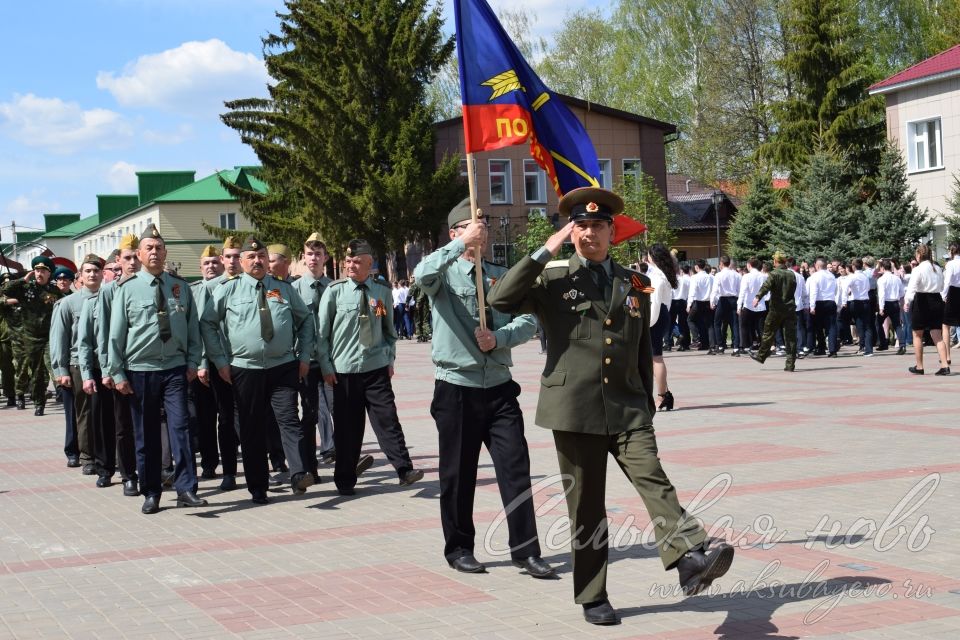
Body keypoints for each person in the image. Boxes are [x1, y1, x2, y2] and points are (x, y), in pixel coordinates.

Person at [487, 186, 733, 626]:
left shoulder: (635, 282)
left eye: (597, 226)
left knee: (654, 480)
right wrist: (547, 248)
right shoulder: (553, 276)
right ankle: (593, 594)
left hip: (627, 405)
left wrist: (646, 397)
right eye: (580, 226)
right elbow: (500, 299)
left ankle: (689, 557)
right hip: (574, 408)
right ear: (571, 230)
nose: (589, 233)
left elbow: (641, 343)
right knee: (586, 507)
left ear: (611, 231)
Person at [413, 198, 554, 579]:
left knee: (515, 469)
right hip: (457, 387)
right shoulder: (441, 274)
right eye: (472, 226)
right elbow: (420, 274)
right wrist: (458, 247)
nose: (482, 231)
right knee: (458, 474)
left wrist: (501, 337)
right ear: (456, 232)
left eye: (484, 226)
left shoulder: (499, 274)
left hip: (499, 387)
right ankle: (459, 548)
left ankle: (525, 551)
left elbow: (530, 319)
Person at [201, 235, 317, 504]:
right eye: (251, 257)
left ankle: (299, 473)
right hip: (245, 368)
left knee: (288, 418)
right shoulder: (228, 289)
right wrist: (219, 361)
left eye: (262, 256)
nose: (257, 260)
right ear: (241, 261)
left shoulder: (284, 289)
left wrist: (304, 355)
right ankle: (257, 486)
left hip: (283, 366)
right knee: (252, 428)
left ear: (268, 259)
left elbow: (305, 321)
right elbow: (207, 322)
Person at [108, 224, 207, 514]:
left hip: (175, 369)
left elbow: (193, 329)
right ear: (138, 254)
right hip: (140, 371)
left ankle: (186, 488)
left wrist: (193, 362)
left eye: (159, 248)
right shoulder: (126, 290)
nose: (154, 252)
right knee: (147, 434)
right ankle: (151, 492)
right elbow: (116, 335)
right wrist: (117, 373)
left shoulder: (180, 287)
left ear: (166, 253)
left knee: (181, 428)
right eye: (148, 248)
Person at [317, 239, 424, 495]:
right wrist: (326, 367)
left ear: (369, 264)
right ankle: (345, 480)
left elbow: (389, 332)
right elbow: (321, 336)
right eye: (348, 261)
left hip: (376, 368)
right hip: (343, 372)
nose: (351, 266)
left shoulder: (381, 291)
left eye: (357, 262)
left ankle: (404, 470)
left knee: (388, 420)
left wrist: (389, 358)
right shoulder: (334, 292)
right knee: (347, 429)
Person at [49, 254, 103, 478]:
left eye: (96, 271)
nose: (92, 274)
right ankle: (87, 457)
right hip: (78, 365)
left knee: (107, 413)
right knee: (85, 413)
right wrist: (61, 371)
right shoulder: (68, 303)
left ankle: (107, 455)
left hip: (105, 364)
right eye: (87, 271)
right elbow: (58, 339)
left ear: (102, 274)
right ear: (80, 276)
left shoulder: (110, 297)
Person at [189, 245, 238, 490]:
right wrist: (200, 363)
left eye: (214, 263)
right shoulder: (205, 289)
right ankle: (211, 463)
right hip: (210, 363)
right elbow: (199, 327)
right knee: (208, 417)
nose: (211, 267)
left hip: (237, 361)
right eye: (206, 263)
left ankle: (233, 469)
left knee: (231, 418)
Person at [291, 233, 335, 470]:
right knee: (309, 414)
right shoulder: (294, 289)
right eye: (310, 254)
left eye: (318, 254)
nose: (314, 258)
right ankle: (309, 466)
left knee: (339, 410)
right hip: (306, 362)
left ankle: (342, 460)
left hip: (331, 361)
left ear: (325, 258)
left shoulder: (335, 288)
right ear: (303, 257)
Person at [2, 256, 64, 413]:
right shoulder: (26, 288)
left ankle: (60, 392)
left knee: (52, 365)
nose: (39, 273)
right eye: (37, 270)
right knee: (36, 372)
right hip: (30, 337)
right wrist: (23, 279)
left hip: (50, 336)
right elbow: (6, 290)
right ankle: (38, 402)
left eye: (43, 271)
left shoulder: (54, 291)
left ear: (49, 274)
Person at [904, 244, 949, 375]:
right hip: (936, 299)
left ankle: (919, 366)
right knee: (937, 334)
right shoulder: (937, 268)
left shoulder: (918, 269)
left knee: (917, 334)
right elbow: (941, 285)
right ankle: (945, 365)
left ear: (918, 255)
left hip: (922, 301)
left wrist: (907, 301)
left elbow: (912, 287)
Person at [749, 252, 798, 371]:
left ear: (776, 262)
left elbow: (766, 287)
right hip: (790, 309)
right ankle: (790, 364)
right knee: (790, 337)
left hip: (776, 309)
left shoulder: (773, 274)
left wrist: (757, 297)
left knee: (768, 332)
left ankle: (761, 356)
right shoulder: (792, 274)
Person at [645, 244, 679, 409]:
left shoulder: (658, 277)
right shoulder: (659, 274)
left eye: (648, 255)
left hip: (656, 316)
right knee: (654, 357)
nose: (646, 257)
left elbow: (655, 303)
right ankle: (665, 393)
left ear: (653, 257)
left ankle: (662, 396)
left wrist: (647, 323)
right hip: (660, 315)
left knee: (656, 357)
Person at [807, 258, 839, 357]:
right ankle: (833, 350)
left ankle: (821, 347)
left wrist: (812, 306)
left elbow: (813, 291)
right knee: (831, 326)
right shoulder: (832, 276)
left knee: (818, 326)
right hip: (831, 301)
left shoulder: (815, 276)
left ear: (817, 266)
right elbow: (836, 290)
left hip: (819, 302)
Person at [710, 256, 741, 354]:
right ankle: (736, 347)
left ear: (722, 264)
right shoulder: (737, 275)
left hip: (723, 299)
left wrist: (712, 301)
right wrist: (740, 303)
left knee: (717, 322)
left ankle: (720, 345)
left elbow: (715, 290)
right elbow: (740, 290)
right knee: (734, 324)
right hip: (733, 299)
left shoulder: (719, 275)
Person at [876, 259, 905, 354]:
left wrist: (881, 307)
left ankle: (883, 343)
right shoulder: (896, 278)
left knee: (878, 323)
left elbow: (881, 294)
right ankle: (902, 345)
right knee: (897, 325)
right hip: (895, 303)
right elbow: (902, 292)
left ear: (883, 268)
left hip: (886, 303)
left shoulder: (881, 279)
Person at [686, 259, 714, 352]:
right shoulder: (710, 277)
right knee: (708, 324)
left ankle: (696, 339)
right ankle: (711, 345)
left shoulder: (695, 277)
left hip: (698, 302)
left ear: (696, 267)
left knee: (690, 319)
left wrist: (689, 304)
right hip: (708, 302)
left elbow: (692, 291)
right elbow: (713, 291)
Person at [941, 243, 960, 365]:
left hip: (953, 292)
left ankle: (947, 355)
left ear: (951, 252)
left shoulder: (951, 264)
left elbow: (947, 281)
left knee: (946, 325)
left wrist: (943, 295)